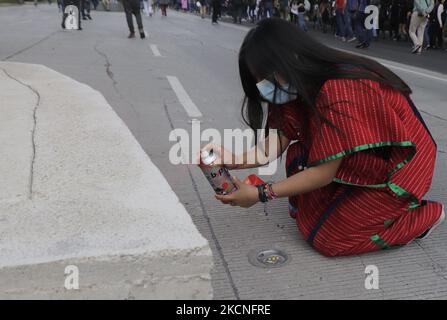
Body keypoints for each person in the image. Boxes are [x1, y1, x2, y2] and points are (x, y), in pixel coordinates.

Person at [208, 18, 444, 257]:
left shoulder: (339, 89)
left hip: (399, 170)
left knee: (329, 240)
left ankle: (424, 215)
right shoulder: (296, 85)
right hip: (360, 157)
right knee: (298, 159)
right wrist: (235, 159)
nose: (263, 88)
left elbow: (323, 173)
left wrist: (261, 194)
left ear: (291, 59)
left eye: (264, 78)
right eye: (259, 82)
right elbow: (279, 139)